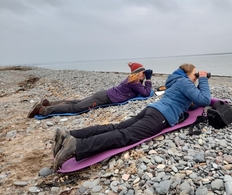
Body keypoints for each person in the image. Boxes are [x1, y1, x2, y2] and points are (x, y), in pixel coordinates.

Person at [52, 63, 211, 170]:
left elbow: (194, 103)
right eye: (195, 74)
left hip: (151, 110)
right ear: (188, 74)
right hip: (160, 116)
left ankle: (71, 135)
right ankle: (78, 146)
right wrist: (203, 79)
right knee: (125, 135)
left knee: (117, 127)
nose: (196, 77)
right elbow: (205, 99)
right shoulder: (185, 83)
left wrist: (197, 86)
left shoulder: (177, 83)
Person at [27, 62, 153, 118]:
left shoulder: (133, 80)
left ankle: (51, 103)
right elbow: (146, 93)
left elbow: (141, 89)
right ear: (138, 74)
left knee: (77, 103)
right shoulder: (134, 82)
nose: (144, 74)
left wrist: (144, 78)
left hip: (104, 95)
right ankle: (43, 110)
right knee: (76, 108)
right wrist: (148, 79)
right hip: (104, 98)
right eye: (143, 73)